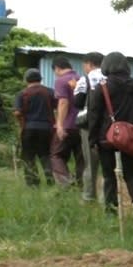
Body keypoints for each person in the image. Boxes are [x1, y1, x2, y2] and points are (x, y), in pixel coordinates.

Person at [87, 51, 133, 216]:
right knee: (132, 173)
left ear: (106, 66)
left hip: (107, 139)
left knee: (109, 176)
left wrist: (93, 139)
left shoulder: (101, 88)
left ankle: (111, 211)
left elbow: (93, 115)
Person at [13, 68, 56, 187]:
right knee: (46, 155)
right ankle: (50, 181)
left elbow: (17, 112)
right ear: (41, 79)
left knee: (28, 156)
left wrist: (21, 123)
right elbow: (57, 107)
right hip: (47, 129)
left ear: (26, 80)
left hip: (29, 129)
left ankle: (33, 183)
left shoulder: (22, 94)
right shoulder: (50, 92)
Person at [72, 52, 105, 203]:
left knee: (91, 163)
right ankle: (107, 198)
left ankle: (89, 197)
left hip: (89, 126)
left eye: (84, 65)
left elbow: (78, 103)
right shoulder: (108, 78)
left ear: (89, 64)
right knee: (108, 164)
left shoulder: (85, 80)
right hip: (108, 126)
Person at [50, 56, 84, 188]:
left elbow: (63, 102)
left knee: (56, 155)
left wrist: (59, 125)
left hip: (68, 125)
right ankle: (81, 186)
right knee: (81, 158)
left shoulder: (61, 80)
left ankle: (66, 183)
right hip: (82, 125)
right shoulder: (81, 79)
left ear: (57, 68)